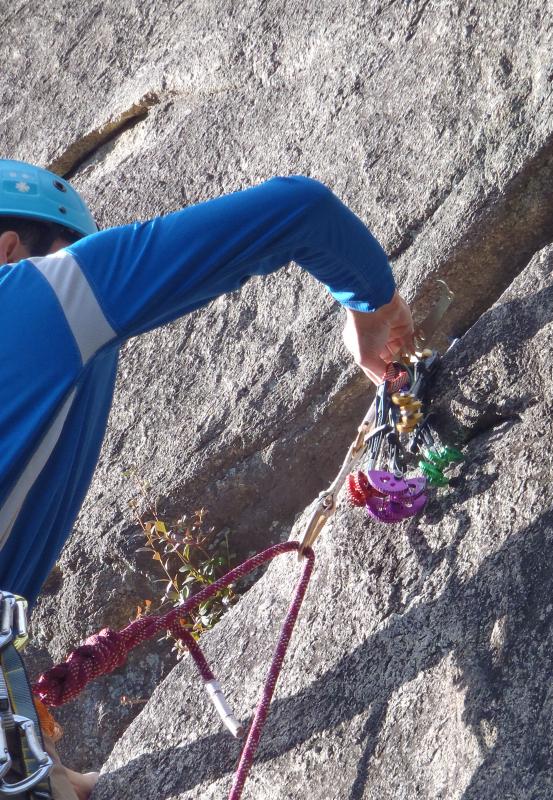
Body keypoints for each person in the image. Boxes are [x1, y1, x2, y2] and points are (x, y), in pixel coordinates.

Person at [0, 159, 415, 798]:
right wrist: (375, 308)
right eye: (68, 254)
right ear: (9, 249)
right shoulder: (34, 297)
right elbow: (300, 210)